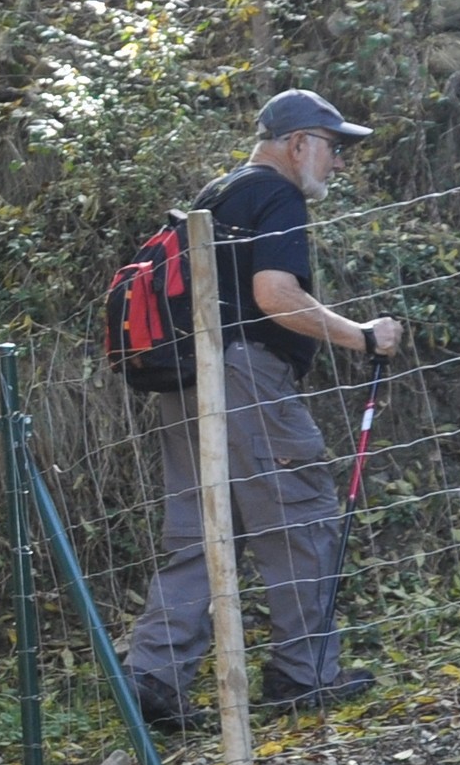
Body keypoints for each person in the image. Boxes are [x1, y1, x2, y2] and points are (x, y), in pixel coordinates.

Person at [123, 90, 406, 728]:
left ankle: (152, 677)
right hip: (246, 376)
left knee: (200, 530)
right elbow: (275, 295)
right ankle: (304, 675)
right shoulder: (276, 195)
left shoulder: (218, 193)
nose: (338, 162)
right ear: (298, 143)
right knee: (300, 513)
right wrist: (362, 336)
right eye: (333, 147)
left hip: (188, 378)